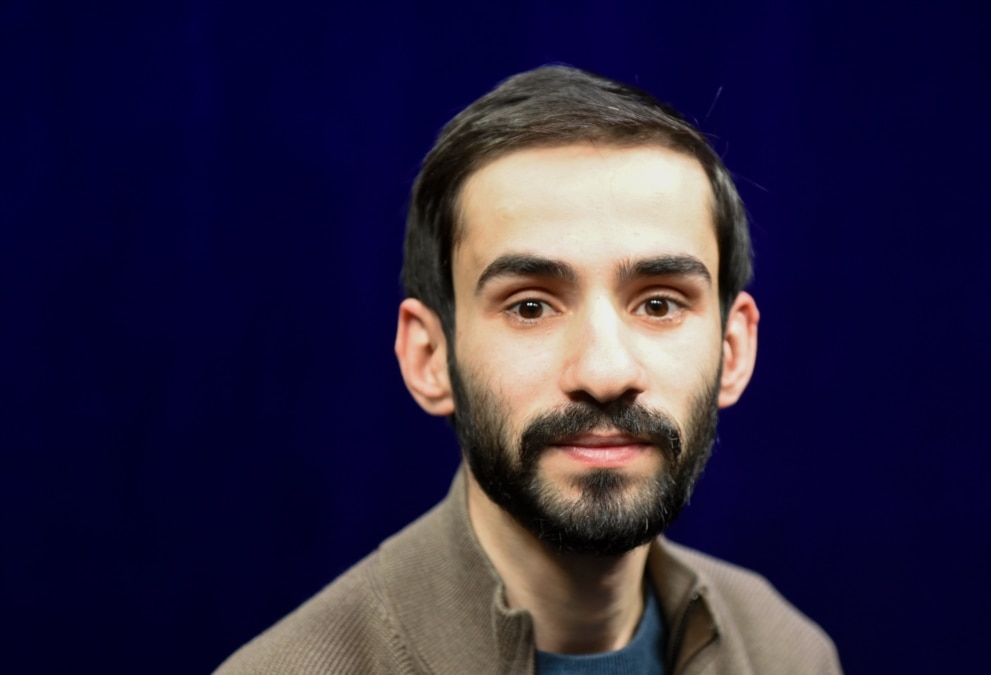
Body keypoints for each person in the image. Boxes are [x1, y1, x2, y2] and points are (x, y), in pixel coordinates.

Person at [217, 65, 841, 674]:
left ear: (733, 350)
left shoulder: (788, 654)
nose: (604, 372)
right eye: (531, 306)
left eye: (658, 304)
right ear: (430, 358)